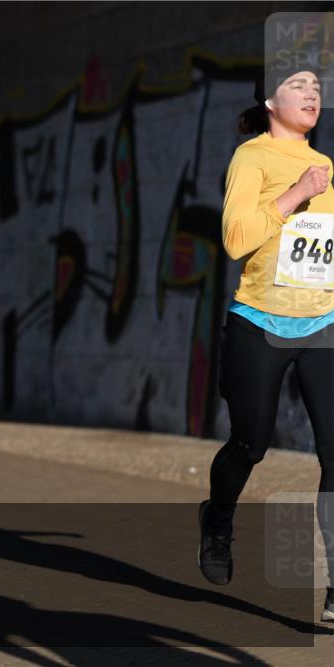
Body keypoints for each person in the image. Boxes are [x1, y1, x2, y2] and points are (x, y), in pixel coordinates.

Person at [198, 66, 334, 624]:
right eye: (298, 86)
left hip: (323, 323)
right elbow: (234, 240)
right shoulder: (251, 158)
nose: (312, 95)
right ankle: (219, 517)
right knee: (251, 444)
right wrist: (296, 195)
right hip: (260, 322)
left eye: (318, 88)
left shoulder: (327, 165)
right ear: (269, 99)